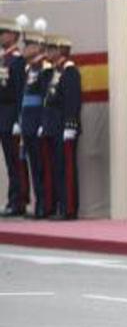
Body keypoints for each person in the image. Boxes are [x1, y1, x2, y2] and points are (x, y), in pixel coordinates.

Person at [42, 36, 81, 219]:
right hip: (53, 126)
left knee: (66, 169)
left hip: (64, 127)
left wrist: (70, 124)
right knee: (56, 168)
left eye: (52, 49)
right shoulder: (54, 71)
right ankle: (58, 205)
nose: (48, 52)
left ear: (61, 50)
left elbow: (72, 100)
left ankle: (69, 208)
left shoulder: (70, 71)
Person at [19, 27, 52, 217]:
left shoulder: (44, 68)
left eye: (30, 45)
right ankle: (38, 201)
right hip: (28, 123)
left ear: (39, 46)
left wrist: (42, 122)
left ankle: (44, 204)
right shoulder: (28, 68)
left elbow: (46, 97)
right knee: (32, 166)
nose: (26, 48)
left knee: (41, 166)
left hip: (38, 121)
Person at [0, 19, 29, 216]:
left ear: (14, 35)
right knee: (9, 162)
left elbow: (19, 91)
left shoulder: (17, 60)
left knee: (15, 161)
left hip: (11, 115)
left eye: (4, 33)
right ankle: (13, 199)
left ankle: (18, 200)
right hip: (3, 114)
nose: (1, 36)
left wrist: (19, 118)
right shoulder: (4, 59)